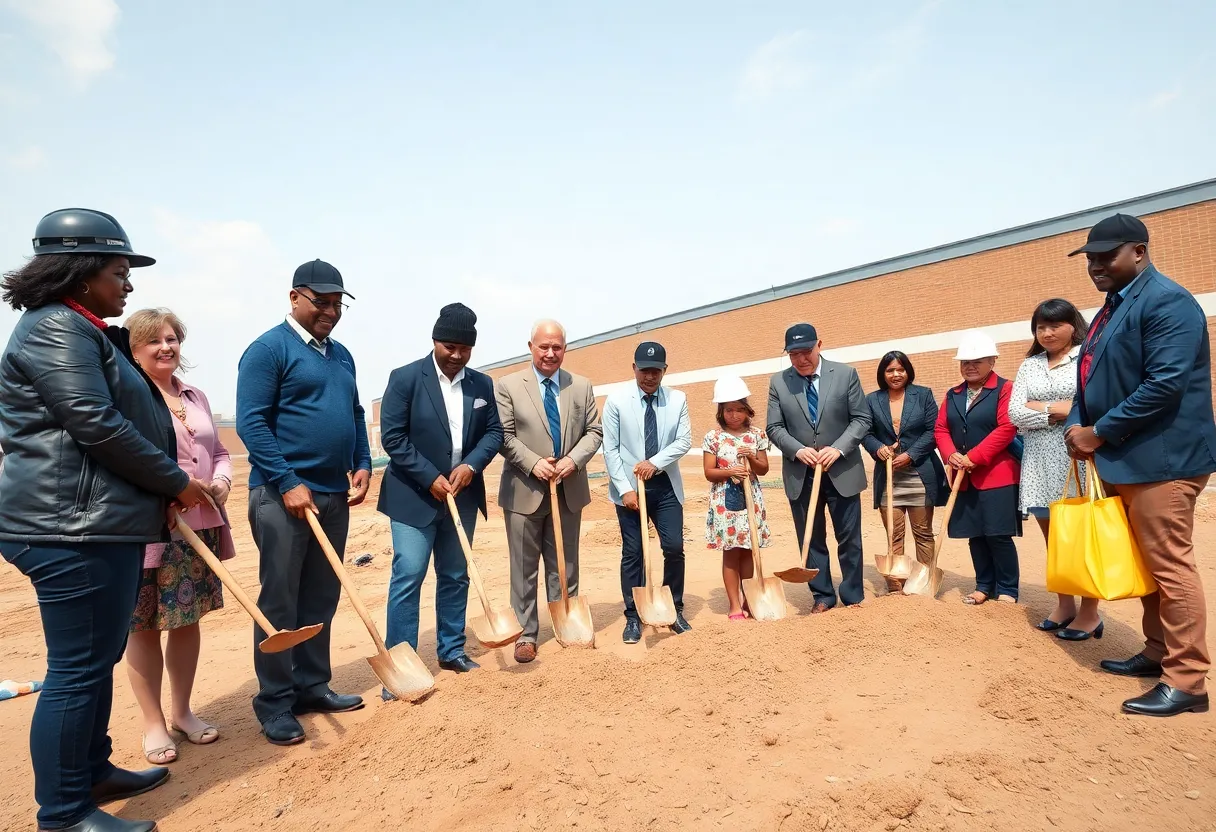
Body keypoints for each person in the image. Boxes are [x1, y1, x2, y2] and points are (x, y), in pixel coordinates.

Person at [0, 209, 211, 832]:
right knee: (76, 670)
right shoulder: (56, 331)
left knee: (97, 655)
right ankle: (64, 813)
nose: (128, 285)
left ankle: (92, 770)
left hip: (94, 522)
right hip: (69, 528)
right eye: (119, 272)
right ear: (83, 270)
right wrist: (176, 480)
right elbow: (95, 422)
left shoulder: (82, 328)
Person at [1064, 213, 1216, 717]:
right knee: (1149, 566)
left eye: (1106, 256)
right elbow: (1093, 376)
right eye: (1090, 258)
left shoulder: (1168, 301)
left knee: (1170, 567)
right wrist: (1079, 425)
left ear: (1139, 251)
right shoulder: (1115, 306)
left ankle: (1188, 679)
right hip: (1126, 459)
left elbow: (1165, 384)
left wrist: (1098, 431)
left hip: (1163, 461)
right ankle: (1158, 653)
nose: (1095, 265)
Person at [236, 259, 372, 745]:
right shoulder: (268, 350)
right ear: (295, 297)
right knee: (280, 600)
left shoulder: (342, 356)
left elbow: (355, 413)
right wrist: (287, 480)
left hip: (334, 495)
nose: (331, 312)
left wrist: (362, 462)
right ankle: (275, 702)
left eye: (338, 304)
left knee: (321, 595)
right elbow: (251, 423)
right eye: (322, 302)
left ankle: (312, 685)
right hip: (281, 496)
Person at [124, 309, 236, 765]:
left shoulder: (195, 396)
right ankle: (153, 724)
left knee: (187, 620)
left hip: (201, 525)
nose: (166, 347)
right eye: (153, 341)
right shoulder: (128, 395)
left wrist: (223, 482)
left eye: (171, 339)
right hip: (152, 527)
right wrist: (166, 494)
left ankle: (182, 712)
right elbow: (125, 458)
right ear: (132, 350)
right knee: (144, 626)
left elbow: (221, 452)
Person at [376, 303, 503, 683]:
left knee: (455, 574)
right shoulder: (405, 378)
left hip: (461, 496)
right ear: (434, 341)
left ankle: (451, 650)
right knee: (409, 574)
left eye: (464, 349)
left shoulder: (481, 384)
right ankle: (402, 664)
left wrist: (471, 466)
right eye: (449, 346)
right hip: (414, 496)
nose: (456, 355)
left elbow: (494, 433)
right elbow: (393, 438)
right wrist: (430, 477)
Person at [495, 319, 603, 662]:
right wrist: (533, 463)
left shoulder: (581, 386)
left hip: (568, 488)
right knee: (524, 568)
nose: (550, 353)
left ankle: (566, 621)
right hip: (523, 490)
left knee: (565, 563)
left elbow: (594, 431)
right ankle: (526, 634)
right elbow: (503, 435)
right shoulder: (508, 386)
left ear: (565, 349)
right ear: (531, 347)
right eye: (544, 346)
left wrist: (573, 460)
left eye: (557, 347)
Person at [1008, 299, 1100, 639]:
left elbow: (1091, 406)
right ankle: (1065, 604)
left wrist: (1042, 408)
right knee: (1054, 539)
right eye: (1040, 327)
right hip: (1039, 462)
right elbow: (1015, 413)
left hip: (1076, 457)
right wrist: (1058, 410)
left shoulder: (1086, 359)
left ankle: (1090, 611)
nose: (1046, 333)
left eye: (1054, 325)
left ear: (1072, 326)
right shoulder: (1030, 365)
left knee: (1083, 535)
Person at [766, 323, 871, 612]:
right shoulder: (779, 383)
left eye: (806, 352)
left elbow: (861, 419)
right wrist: (798, 450)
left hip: (842, 470)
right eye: (793, 354)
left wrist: (838, 448)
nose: (801, 359)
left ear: (819, 345)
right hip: (801, 473)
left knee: (849, 537)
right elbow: (774, 427)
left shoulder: (846, 374)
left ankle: (852, 594)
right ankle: (822, 595)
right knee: (811, 537)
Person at [603, 342, 693, 643]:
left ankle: (674, 607)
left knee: (674, 547)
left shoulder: (678, 400)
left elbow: (683, 441)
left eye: (656, 371)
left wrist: (654, 463)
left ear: (664, 371)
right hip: (630, 491)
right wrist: (625, 489)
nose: (649, 377)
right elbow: (611, 450)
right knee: (634, 552)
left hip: (665, 485)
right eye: (644, 370)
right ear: (634, 369)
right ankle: (632, 615)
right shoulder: (616, 401)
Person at [934, 330, 1022, 606]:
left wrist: (974, 456)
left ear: (992, 361)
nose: (970, 366)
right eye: (965, 362)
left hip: (996, 474)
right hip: (963, 477)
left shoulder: (1005, 389)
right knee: (975, 535)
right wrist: (951, 455)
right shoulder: (954, 393)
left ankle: (1007, 588)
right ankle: (984, 585)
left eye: (977, 361)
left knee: (997, 534)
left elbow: (1008, 426)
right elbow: (941, 428)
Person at [861, 352, 948, 593]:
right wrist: (878, 448)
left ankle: (924, 582)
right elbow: (866, 433)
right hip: (889, 476)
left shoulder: (923, 395)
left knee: (922, 532)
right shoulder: (872, 400)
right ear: (883, 374)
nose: (896, 374)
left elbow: (933, 431)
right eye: (890, 370)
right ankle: (895, 584)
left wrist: (911, 455)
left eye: (900, 369)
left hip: (919, 473)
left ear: (908, 371)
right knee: (894, 533)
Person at [703, 376, 772, 620]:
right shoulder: (713, 437)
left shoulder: (757, 435)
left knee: (748, 550)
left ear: (747, 410)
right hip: (724, 504)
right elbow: (709, 472)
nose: (734, 415)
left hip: (750, 499)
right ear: (721, 411)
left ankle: (748, 597)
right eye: (729, 410)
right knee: (731, 551)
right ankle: (734, 604)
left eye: (739, 409)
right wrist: (730, 471)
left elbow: (763, 469)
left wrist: (752, 456)